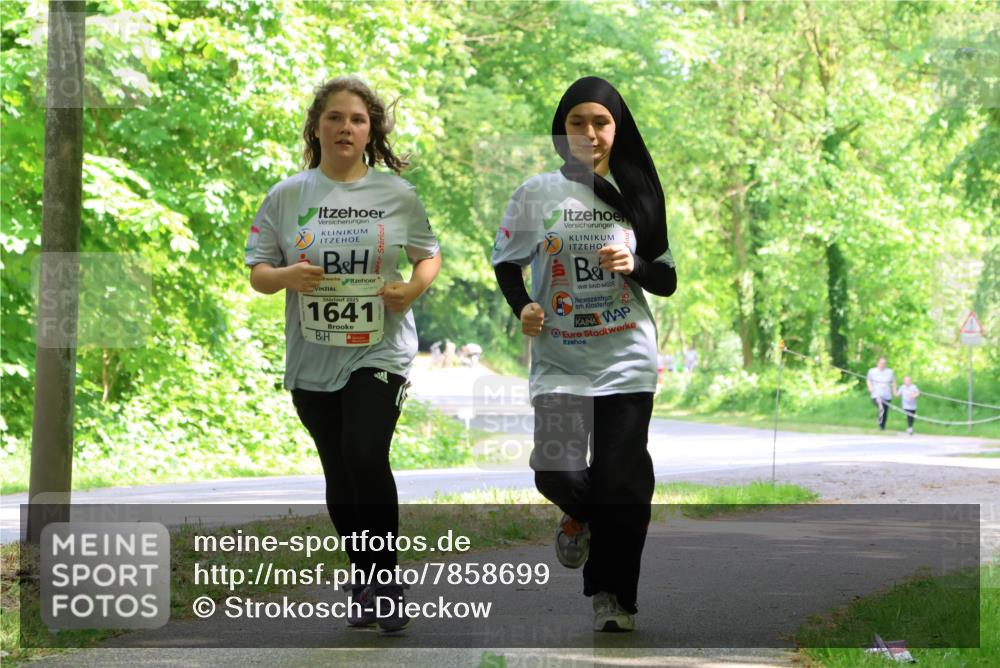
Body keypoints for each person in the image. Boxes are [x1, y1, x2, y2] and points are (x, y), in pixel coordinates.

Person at [245, 76, 441, 632]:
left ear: (370, 130)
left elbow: (428, 255)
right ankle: (363, 573)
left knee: (364, 452)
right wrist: (288, 275)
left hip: (381, 348)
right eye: (335, 118)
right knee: (338, 467)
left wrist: (411, 290)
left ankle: (386, 580)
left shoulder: (395, 195)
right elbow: (259, 274)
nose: (346, 128)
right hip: (312, 355)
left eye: (357, 119)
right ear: (317, 127)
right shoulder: (288, 195)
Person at [492, 76, 677, 632]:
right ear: (562, 129)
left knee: (623, 480)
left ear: (616, 130)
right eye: (578, 122)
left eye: (601, 122)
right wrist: (523, 304)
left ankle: (613, 597)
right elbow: (507, 261)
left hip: (626, 357)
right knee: (556, 472)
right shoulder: (536, 193)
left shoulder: (640, 193)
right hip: (560, 360)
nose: (590, 134)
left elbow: (665, 280)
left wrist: (633, 266)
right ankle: (584, 515)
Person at [866, 356, 897, 431]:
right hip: (876, 395)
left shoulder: (890, 372)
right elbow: (868, 380)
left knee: (885, 411)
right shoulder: (872, 371)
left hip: (887, 395)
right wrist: (870, 387)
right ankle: (880, 424)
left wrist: (895, 391)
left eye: (884, 363)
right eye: (881, 363)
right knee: (881, 407)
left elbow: (893, 382)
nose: (882, 364)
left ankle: (882, 426)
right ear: (877, 363)